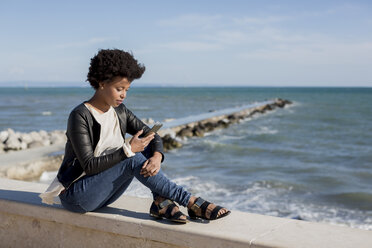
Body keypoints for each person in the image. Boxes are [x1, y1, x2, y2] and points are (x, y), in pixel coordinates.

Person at [42, 49, 230, 223]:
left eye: (127, 90)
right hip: (76, 195)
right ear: (102, 83)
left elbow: (152, 135)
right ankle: (190, 202)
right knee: (131, 157)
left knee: (144, 144)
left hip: (104, 193)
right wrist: (128, 151)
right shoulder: (80, 115)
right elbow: (89, 166)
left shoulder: (119, 111)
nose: (124, 94)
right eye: (119, 88)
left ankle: (161, 202)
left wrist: (157, 156)